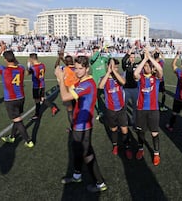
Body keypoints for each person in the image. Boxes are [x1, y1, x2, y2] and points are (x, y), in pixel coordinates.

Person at [55, 55, 107, 192]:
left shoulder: (87, 84)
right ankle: (77, 175)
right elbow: (70, 87)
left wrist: (61, 79)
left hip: (83, 126)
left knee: (87, 154)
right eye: (76, 68)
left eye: (80, 69)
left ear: (87, 69)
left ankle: (100, 183)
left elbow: (65, 97)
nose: (77, 71)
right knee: (77, 150)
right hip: (78, 123)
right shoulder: (82, 81)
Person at [0, 42, 34, 148]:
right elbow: (17, 63)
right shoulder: (21, 68)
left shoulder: (4, 70)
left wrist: (1, 50)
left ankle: (28, 140)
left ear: (5, 60)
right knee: (17, 118)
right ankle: (12, 136)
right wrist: (11, 56)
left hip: (10, 99)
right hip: (21, 97)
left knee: (17, 120)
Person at [133, 48, 163, 166]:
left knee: (154, 132)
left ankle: (156, 154)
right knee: (141, 132)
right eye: (144, 66)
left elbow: (160, 69)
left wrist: (150, 58)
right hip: (141, 109)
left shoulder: (156, 78)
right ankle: (141, 149)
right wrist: (144, 60)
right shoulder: (140, 78)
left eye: (147, 66)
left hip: (153, 110)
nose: (146, 67)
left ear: (151, 67)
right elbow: (135, 73)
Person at [98, 58, 132, 159]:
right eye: (113, 67)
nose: (115, 69)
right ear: (108, 67)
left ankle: (127, 147)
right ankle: (115, 145)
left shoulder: (120, 76)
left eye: (116, 67)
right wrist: (109, 72)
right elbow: (100, 87)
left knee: (124, 130)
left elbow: (123, 82)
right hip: (110, 109)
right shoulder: (103, 77)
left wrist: (114, 71)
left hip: (121, 108)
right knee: (113, 129)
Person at [27, 53, 58, 120]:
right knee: (42, 98)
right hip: (42, 84)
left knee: (37, 100)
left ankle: (37, 114)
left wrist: (28, 65)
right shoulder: (42, 65)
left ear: (32, 59)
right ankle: (53, 107)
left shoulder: (33, 68)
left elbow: (27, 73)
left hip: (36, 86)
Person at [54, 50, 78, 131]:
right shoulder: (76, 68)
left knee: (70, 111)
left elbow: (56, 66)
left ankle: (73, 128)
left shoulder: (64, 69)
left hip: (67, 92)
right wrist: (62, 58)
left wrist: (59, 58)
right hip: (76, 91)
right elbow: (69, 64)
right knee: (76, 110)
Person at [90, 45, 109, 120]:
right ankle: (100, 112)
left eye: (96, 51)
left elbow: (109, 59)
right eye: (94, 51)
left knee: (107, 96)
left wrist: (107, 53)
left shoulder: (102, 59)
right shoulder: (92, 60)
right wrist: (98, 51)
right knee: (96, 98)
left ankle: (109, 109)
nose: (95, 53)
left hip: (104, 82)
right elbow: (93, 58)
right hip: (96, 83)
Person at [121, 45, 139, 127]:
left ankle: (133, 121)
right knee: (124, 106)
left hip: (135, 89)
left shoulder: (137, 66)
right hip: (126, 89)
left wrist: (140, 48)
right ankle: (124, 120)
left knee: (135, 107)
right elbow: (123, 59)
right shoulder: (126, 66)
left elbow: (144, 61)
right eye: (131, 57)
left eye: (133, 57)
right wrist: (131, 49)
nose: (132, 58)